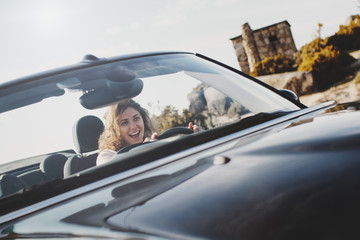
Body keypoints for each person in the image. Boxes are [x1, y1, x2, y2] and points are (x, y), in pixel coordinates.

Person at [96, 99, 198, 165]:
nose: (133, 127)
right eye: (124, 123)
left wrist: (196, 139)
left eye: (136, 119)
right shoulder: (106, 156)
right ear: (114, 129)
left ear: (143, 120)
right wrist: (144, 151)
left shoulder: (154, 142)